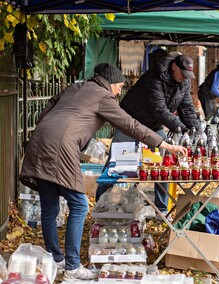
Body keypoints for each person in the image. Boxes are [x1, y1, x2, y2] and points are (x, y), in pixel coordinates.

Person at [19, 63, 187, 280]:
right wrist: (165, 145)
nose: (119, 92)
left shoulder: (76, 87)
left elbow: (50, 106)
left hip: (40, 139)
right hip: (61, 146)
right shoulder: (103, 96)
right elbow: (130, 124)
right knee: (79, 204)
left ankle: (56, 260)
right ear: (111, 83)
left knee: (49, 206)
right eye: (119, 87)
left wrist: (48, 131)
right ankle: (72, 267)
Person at [96, 55, 200, 212]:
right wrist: (182, 129)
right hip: (130, 124)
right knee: (114, 165)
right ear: (174, 67)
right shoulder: (154, 78)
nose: (185, 78)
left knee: (166, 160)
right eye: (183, 73)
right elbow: (160, 110)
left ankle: (162, 209)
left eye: (188, 75)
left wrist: (195, 129)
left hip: (153, 126)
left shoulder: (184, 82)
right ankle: (100, 206)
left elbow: (187, 108)